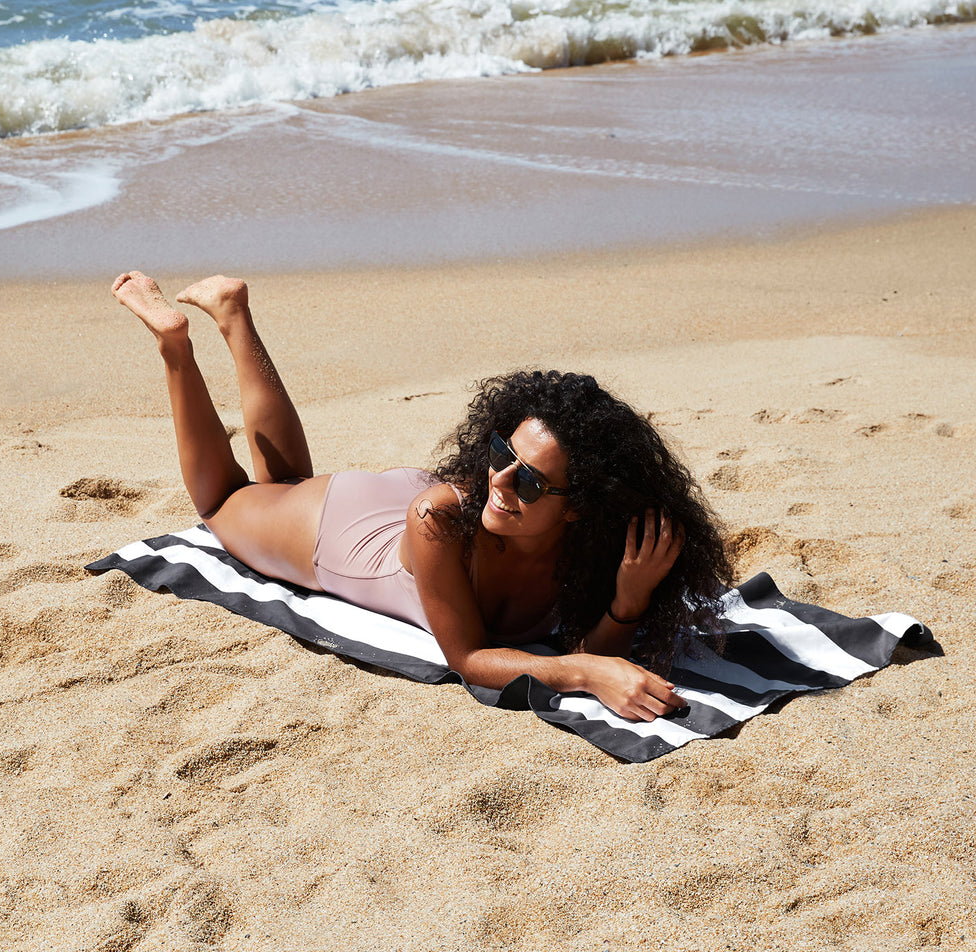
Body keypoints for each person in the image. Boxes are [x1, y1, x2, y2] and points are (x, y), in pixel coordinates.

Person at [112, 271, 733, 722]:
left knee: (283, 483)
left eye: (528, 481)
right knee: (223, 502)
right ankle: (175, 342)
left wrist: (628, 599)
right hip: (352, 531)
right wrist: (580, 670)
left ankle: (233, 313)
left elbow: (601, 653)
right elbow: (470, 658)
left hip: (419, 503)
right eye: (500, 454)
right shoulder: (443, 515)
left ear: (578, 507)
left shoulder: (593, 547)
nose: (500, 482)